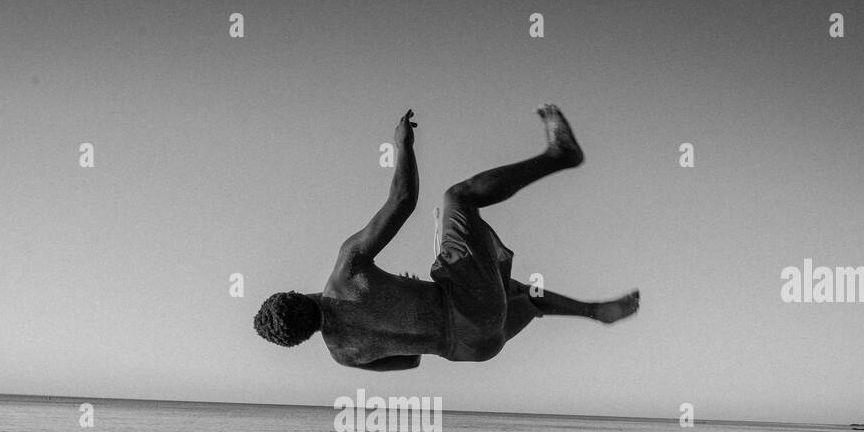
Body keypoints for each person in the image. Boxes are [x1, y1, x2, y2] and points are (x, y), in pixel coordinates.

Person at [252, 105, 639, 370]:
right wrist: (402, 144)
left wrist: (403, 306)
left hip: (475, 349)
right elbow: (403, 201)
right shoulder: (346, 272)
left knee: (517, 293)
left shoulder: (343, 355)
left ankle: (596, 312)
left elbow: (413, 359)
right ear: (296, 293)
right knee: (459, 197)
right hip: (468, 305)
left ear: (302, 339)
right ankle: (561, 155)